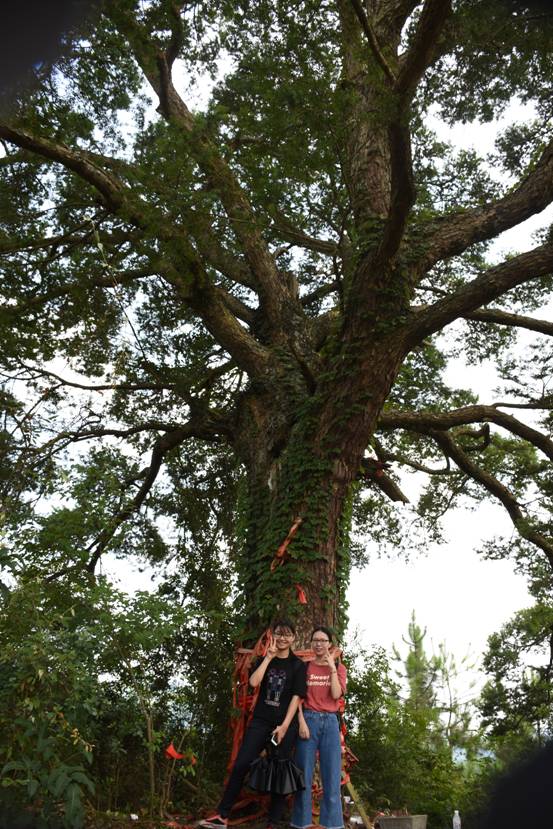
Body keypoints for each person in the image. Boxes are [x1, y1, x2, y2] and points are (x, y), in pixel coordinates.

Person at [200, 619, 307, 829]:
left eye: (287, 634)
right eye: (279, 633)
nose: (283, 638)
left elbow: (297, 697)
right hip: (261, 721)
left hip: (284, 726)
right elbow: (253, 683)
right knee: (242, 763)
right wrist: (268, 658)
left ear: (293, 638)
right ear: (273, 635)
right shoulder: (264, 660)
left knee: (280, 769)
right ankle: (222, 815)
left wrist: (285, 726)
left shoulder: (298, 665)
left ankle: (273, 822)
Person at [291, 626, 347, 829]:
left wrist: (332, 668)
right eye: (315, 640)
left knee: (331, 776)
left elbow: (335, 695)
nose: (318, 644)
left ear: (329, 644)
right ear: (311, 643)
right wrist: (301, 721)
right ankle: (301, 824)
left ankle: (332, 825)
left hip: (331, 722)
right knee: (303, 775)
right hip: (309, 719)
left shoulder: (339, 668)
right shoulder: (304, 667)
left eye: (323, 640)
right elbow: (296, 697)